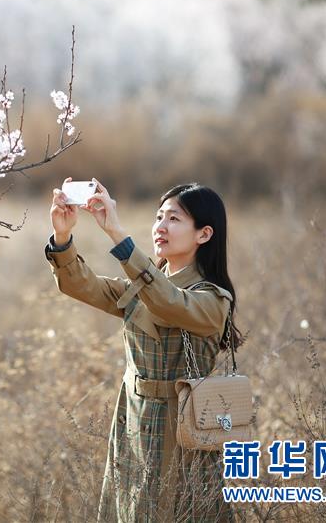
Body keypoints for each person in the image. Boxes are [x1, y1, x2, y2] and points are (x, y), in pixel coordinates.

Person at [46, 177, 242, 522]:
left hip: (181, 429)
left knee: (177, 509)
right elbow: (81, 284)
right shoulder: (142, 287)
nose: (160, 227)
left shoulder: (213, 298)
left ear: (204, 234)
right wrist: (63, 237)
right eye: (158, 217)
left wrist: (118, 235)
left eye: (174, 219)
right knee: (130, 508)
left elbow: (170, 303)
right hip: (132, 420)